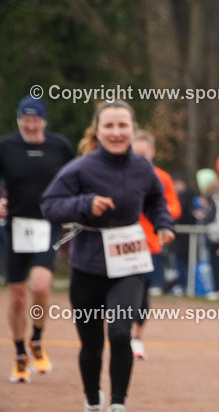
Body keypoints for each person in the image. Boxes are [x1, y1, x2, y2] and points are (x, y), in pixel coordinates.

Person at [40, 100, 174, 412]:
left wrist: (163, 224)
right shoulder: (81, 168)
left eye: (123, 125)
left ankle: (117, 403)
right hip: (87, 266)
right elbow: (49, 204)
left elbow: (156, 199)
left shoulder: (143, 167)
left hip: (129, 263)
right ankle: (92, 399)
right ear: (97, 130)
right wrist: (84, 204)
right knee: (91, 344)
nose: (116, 132)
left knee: (120, 333)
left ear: (133, 129)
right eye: (109, 126)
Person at [0, 96, 73, 383]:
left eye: (35, 120)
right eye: (25, 120)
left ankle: (37, 340)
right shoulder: (6, 147)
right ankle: (20, 354)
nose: (30, 126)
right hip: (16, 227)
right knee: (18, 297)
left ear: (44, 121)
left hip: (47, 225)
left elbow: (75, 177)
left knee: (40, 286)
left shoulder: (59, 146)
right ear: (19, 120)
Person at [129, 130, 181, 359]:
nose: (140, 157)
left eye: (144, 153)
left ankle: (137, 337)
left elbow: (175, 208)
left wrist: (157, 212)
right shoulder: (120, 173)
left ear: (152, 152)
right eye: (136, 153)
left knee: (143, 291)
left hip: (150, 244)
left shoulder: (162, 177)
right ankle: (121, 334)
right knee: (123, 290)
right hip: (123, 243)